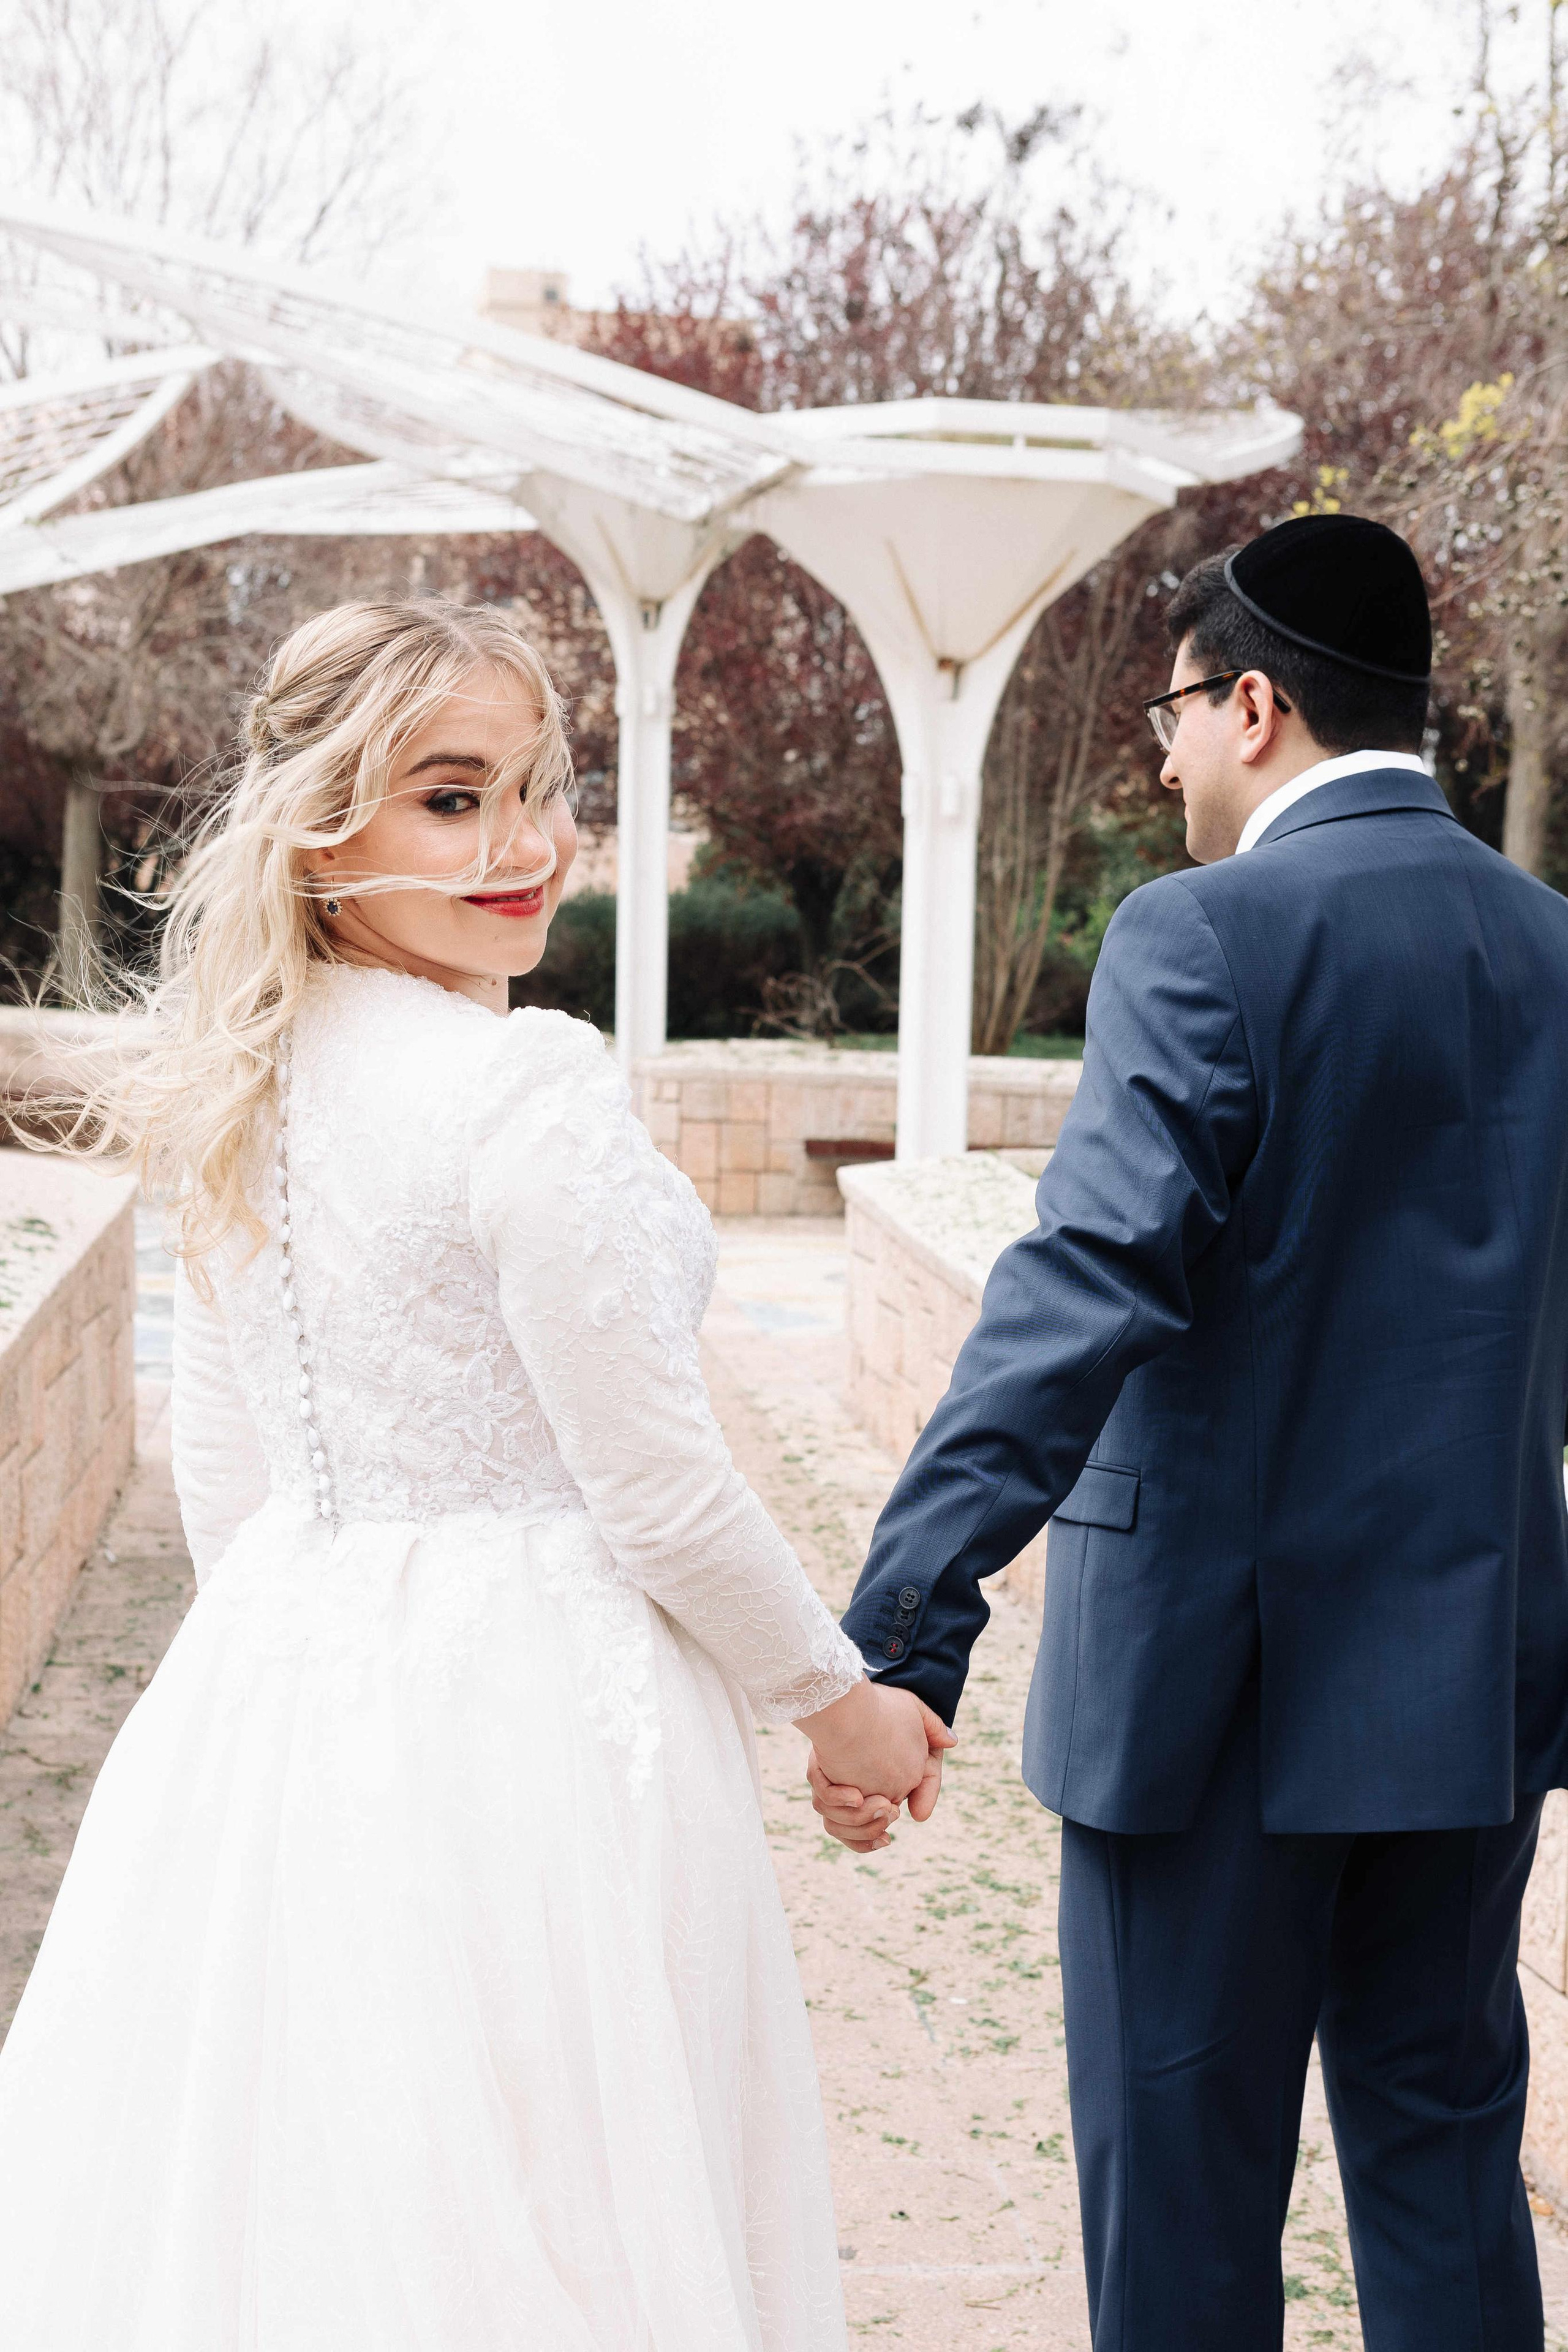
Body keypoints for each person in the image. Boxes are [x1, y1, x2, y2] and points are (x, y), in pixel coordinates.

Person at [0, 598, 947, 2351]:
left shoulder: (241, 1082)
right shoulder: (523, 1085)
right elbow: (655, 1488)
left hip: (285, 1703)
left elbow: (233, 1474)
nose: (526, 847)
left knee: (322, 2208)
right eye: (452, 799)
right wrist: (842, 1708)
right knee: (567, 2217)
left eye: (542, 787)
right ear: (322, 819)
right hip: (548, 1728)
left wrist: (312, 1708)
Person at [808, 513, 1568, 2349]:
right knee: (1449, 2160)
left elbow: (1081, 1293)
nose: (1156, 758)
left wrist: (911, 1617)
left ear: (1254, 704)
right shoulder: (1554, 945)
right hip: (1471, 1681)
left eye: (1170, 713)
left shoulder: (1206, 934)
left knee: (1183, 2204)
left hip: (1207, 1699)